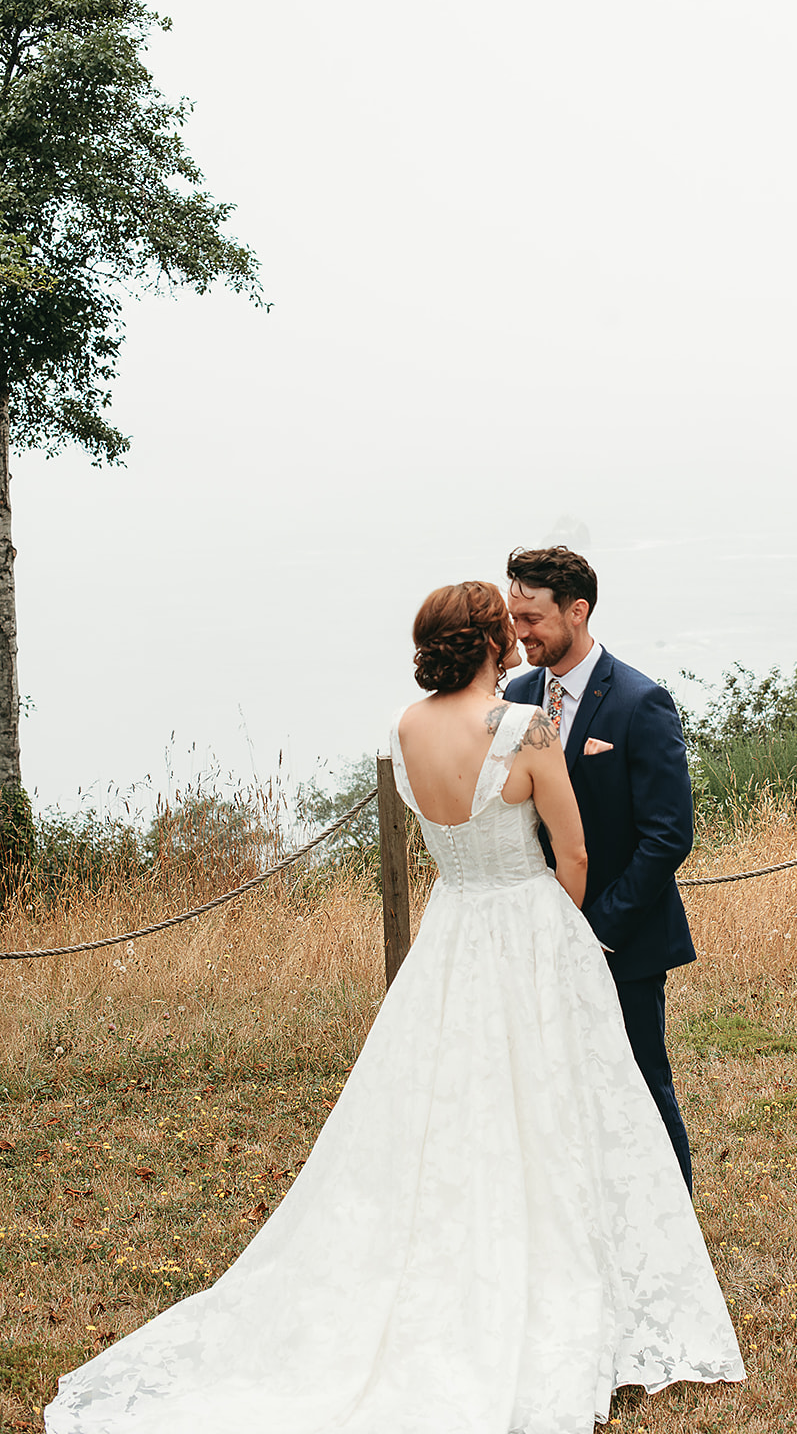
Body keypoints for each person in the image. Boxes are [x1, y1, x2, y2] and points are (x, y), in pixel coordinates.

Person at [45, 582, 743, 1434]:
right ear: (489, 642)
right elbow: (575, 854)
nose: (518, 633)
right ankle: (554, 1266)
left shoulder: (404, 727)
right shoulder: (525, 728)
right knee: (552, 1100)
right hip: (526, 925)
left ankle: (453, 1259)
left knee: (446, 1107)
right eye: (508, 624)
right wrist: (556, 936)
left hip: (453, 930)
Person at [504, 547, 697, 1191]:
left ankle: (675, 1216)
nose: (519, 633)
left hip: (622, 938)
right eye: (513, 618)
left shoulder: (641, 702)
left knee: (640, 1081)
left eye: (531, 618)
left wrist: (599, 928)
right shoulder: (516, 698)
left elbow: (668, 836)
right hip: (537, 933)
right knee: (555, 1085)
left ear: (577, 611)